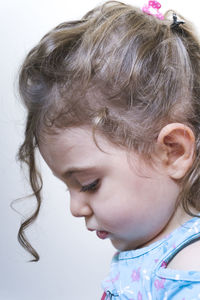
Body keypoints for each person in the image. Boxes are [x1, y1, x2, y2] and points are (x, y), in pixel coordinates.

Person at [17, 0, 200, 298]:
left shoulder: (189, 268)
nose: (75, 209)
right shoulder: (154, 254)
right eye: (69, 188)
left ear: (173, 151)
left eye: (89, 184)